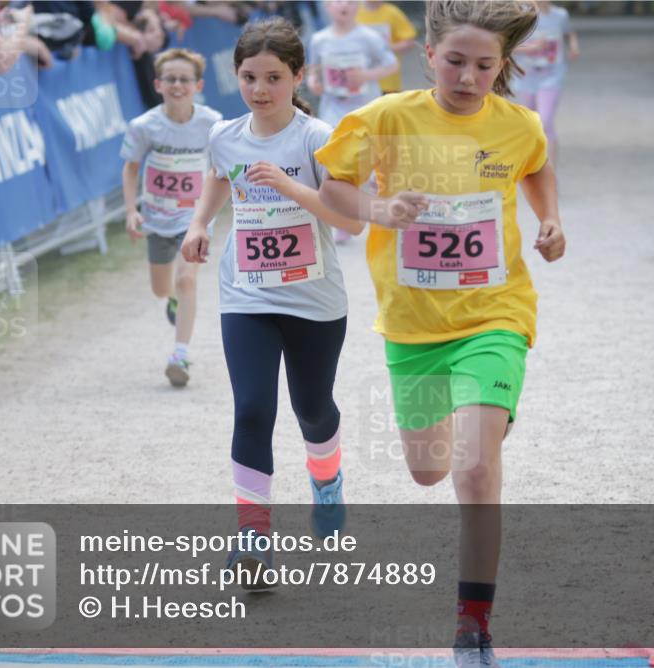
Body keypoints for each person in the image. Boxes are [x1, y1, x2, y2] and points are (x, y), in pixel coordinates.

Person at [315, 1, 566, 665]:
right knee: (427, 472)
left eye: (485, 65)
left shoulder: (518, 125)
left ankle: (473, 622)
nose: (468, 75)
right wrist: (377, 208)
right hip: (414, 327)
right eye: (455, 60)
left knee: (476, 468)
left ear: (502, 67)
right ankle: (474, 409)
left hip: (496, 315)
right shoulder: (384, 117)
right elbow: (332, 186)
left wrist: (550, 221)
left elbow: (538, 167)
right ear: (428, 56)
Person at [181, 17, 362, 583]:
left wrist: (291, 187)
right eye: (249, 77)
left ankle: (327, 481)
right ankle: (253, 540)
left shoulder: (316, 138)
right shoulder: (224, 135)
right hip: (247, 295)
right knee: (253, 409)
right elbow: (218, 176)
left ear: (298, 76)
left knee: (313, 410)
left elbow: (346, 217)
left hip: (314, 299)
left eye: (273, 78)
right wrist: (199, 223)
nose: (260, 90)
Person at [121, 48, 222, 388]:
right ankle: (174, 301)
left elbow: (222, 168)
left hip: (193, 217)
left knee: (187, 279)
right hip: (157, 217)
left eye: (185, 80)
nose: (178, 85)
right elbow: (131, 167)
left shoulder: (212, 123)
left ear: (198, 85)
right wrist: (131, 210)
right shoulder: (145, 126)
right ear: (158, 84)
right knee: (162, 287)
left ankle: (180, 355)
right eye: (171, 79)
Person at [308, 0, 396, 244]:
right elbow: (313, 69)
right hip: (334, 109)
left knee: (374, 167)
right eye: (336, 1)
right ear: (327, 7)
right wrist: (314, 82)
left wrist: (366, 75)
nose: (343, 5)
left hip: (366, 108)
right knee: (337, 165)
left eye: (348, 1)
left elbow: (391, 64)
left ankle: (384, 211)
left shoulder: (368, 37)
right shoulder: (319, 40)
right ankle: (344, 221)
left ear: (357, 6)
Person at [513, 0, 578, 165]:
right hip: (525, 77)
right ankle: (531, 164)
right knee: (529, 124)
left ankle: (549, 169)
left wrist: (573, 46)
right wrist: (533, 48)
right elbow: (506, 46)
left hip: (551, 75)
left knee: (546, 120)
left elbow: (569, 32)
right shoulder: (521, 15)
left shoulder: (560, 15)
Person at [356, 0, 417, 94]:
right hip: (360, 83)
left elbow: (409, 42)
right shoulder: (353, 11)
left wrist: (385, 48)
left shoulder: (392, 13)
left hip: (388, 82)